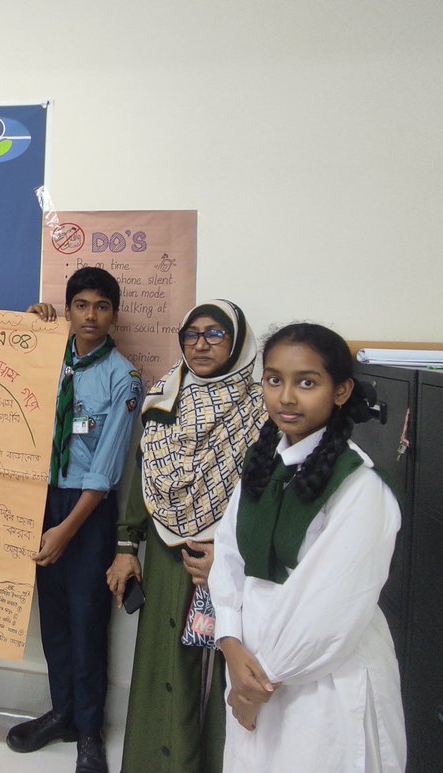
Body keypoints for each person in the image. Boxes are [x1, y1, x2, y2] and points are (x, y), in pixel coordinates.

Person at [208, 323, 406, 773]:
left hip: (319, 676)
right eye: (274, 379)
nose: (286, 397)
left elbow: (329, 610)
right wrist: (230, 641)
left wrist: (254, 686)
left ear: (341, 391)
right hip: (250, 662)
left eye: (307, 382)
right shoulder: (264, 465)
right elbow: (229, 556)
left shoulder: (360, 487)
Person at [105, 301, 266, 773]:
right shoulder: (165, 396)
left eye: (215, 334)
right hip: (164, 558)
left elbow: (266, 498)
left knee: (215, 678)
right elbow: (145, 477)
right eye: (191, 334)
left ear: (236, 343)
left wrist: (229, 555)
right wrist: (126, 545)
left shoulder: (261, 409)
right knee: (161, 668)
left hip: (227, 566)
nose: (200, 344)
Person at [7, 266, 143, 773]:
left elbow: (105, 470)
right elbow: (7, 375)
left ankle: (89, 732)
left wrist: (65, 531)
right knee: (55, 621)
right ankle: (61, 712)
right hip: (38, 500)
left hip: (86, 511)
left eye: (102, 306)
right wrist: (28, 328)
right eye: (81, 305)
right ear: (68, 310)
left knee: (88, 624)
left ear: (114, 314)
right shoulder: (49, 357)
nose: (91, 315)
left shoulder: (123, 377)